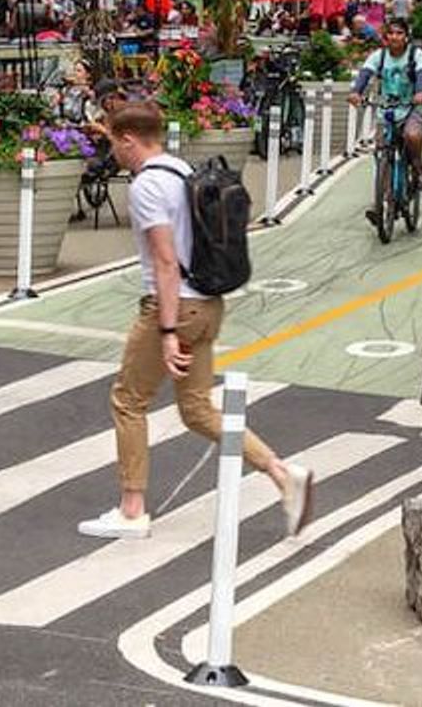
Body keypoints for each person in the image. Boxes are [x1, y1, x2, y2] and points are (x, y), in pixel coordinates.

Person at [77, 102, 314, 539]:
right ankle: (281, 473)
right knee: (198, 409)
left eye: (113, 141)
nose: (112, 151)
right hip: (208, 303)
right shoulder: (182, 170)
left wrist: (167, 332)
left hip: (175, 307)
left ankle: (132, 510)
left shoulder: (147, 186)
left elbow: (166, 262)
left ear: (129, 138)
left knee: (128, 400)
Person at [352, 18, 422, 213]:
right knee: (382, 152)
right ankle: (382, 200)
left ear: (407, 36)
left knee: (412, 135)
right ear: (385, 37)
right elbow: (365, 73)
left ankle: (418, 169)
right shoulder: (378, 56)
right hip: (387, 110)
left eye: (399, 33)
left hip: (412, 108)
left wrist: (420, 92)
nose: (395, 37)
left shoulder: (416, 55)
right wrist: (356, 92)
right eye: (391, 33)